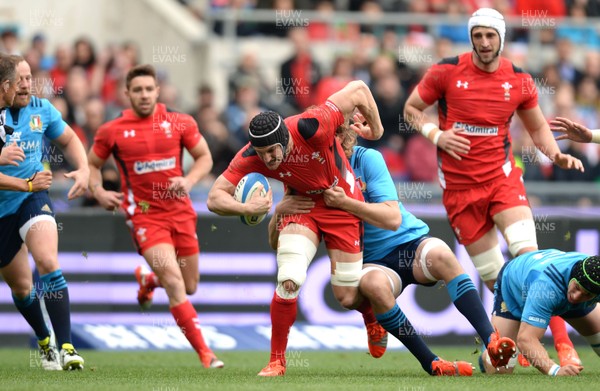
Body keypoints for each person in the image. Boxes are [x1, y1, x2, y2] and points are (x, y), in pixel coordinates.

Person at [403, 7, 584, 367]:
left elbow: (537, 128)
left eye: (490, 35)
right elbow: (411, 109)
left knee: (532, 262)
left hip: (502, 181)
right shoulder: (445, 72)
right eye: (478, 35)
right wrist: (437, 135)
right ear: (471, 37)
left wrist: (555, 154)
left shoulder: (518, 80)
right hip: (459, 193)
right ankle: (516, 345)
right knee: (500, 281)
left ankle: (564, 346)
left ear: (501, 37)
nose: (484, 42)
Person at [268, 123, 517, 376]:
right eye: (318, 142)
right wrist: (278, 211)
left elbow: (392, 219)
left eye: (331, 138)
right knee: (361, 291)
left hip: (409, 242)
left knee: (442, 254)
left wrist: (346, 202)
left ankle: (492, 342)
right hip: (371, 262)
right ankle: (430, 362)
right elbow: (278, 242)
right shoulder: (306, 178)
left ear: (345, 137)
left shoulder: (368, 159)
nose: (325, 146)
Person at [207, 80, 384, 376]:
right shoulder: (253, 154)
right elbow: (214, 196)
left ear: (285, 139)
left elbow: (359, 88)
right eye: (261, 153)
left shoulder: (312, 125)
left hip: (340, 201)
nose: (267, 160)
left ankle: (370, 315)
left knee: (347, 296)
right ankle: (277, 360)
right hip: (300, 205)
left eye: (271, 152)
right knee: (289, 278)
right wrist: (246, 209)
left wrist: (376, 131)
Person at [87, 64, 223, 369]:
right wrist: (98, 192)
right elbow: (92, 165)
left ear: (158, 91)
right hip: (146, 218)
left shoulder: (180, 122)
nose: (144, 95)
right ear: (127, 94)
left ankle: (149, 280)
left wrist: (188, 181)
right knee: (175, 283)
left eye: (149, 89)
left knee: (189, 286)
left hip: (181, 213)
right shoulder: (112, 131)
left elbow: (205, 157)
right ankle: (206, 354)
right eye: (137, 90)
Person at [0, 56, 89, 370]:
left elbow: (68, 139)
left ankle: (67, 347)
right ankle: (45, 341)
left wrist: (84, 169)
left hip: (33, 198)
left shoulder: (40, 109)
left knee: (48, 261)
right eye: (20, 80)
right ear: (5, 85)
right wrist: (21, 181)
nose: (27, 85)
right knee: (22, 288)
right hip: (6, 209)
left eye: (29, 78)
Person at [481, 249, 600, 376]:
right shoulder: (545, 286)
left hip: (558, 292)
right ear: (573, 277)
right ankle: (485, 353)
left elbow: (579, 292)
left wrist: (580, 292)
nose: (576, 297)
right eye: (576, 287)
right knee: (500, 367)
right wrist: (555, 370)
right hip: (515, 290)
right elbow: (526, 339)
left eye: (587, 295)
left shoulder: (590, 280)